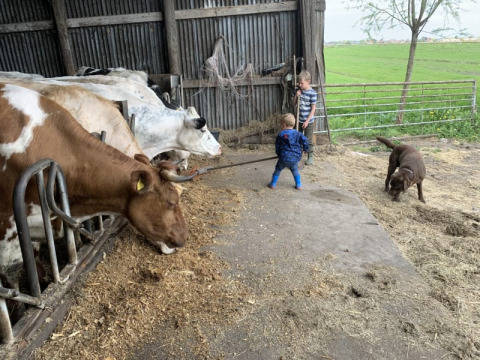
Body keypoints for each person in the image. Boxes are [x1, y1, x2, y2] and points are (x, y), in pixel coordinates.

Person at [268, 113, 309, 190]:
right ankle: (299, 185)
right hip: (295, 158)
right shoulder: (298, 134)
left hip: (283, 158)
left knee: (278, 169)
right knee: (295, 170)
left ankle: (273, 184)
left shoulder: (281, 134)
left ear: (283, 125)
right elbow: (305, 141)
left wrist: (279, 154)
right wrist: (305, 150)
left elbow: (277, 146)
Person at [291, 70, 317, 165]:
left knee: (308, 139)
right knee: (297, 138)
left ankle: (310, 157)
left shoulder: (312, 93)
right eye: (299, 83)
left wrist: (307, 121)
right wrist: (296, 96)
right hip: (299, 119)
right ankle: (297, 155)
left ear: (308, 82)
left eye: (302, 83)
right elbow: (293, 104)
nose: (300, 85)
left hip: (308, 121)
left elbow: (313, 109)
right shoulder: (299, 91)